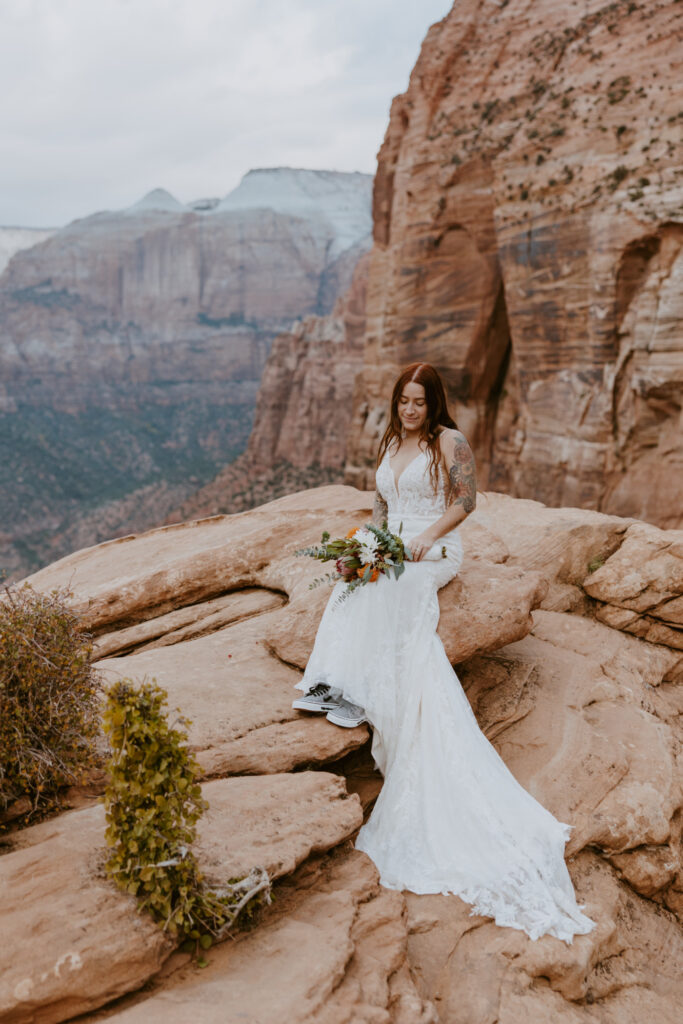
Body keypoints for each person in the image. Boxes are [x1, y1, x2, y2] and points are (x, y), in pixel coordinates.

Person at [292, 362, 596, 943]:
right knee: (355, 584)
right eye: (403, 401)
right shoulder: (391, 441)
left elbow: (467, 501)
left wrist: (424, 540)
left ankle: (361, 697)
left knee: (396, 590)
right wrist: (367, 546)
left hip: (435, 548)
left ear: (434, 404)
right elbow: (381, 506)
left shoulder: (449, 442)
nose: (410, 410)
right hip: (393, 543)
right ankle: (335, 689)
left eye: (418, 402)